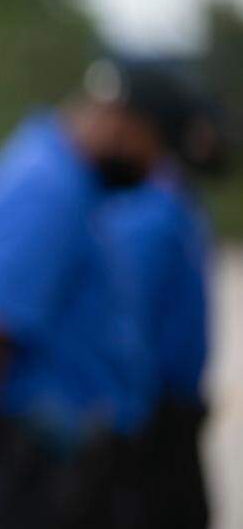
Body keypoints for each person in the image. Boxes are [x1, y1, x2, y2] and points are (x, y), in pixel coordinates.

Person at [0, 61, 201, 529]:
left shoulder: (76, 185)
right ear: (120, 122)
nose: (154, 170)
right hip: (49, 464)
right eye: (157, 148)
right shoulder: (46, 190)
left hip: (77, 460)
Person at [103, 89, 229, 529]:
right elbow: (128, 323)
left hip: (172, 413)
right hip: (150, 418)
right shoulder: (151, 208)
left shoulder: (176, 201)